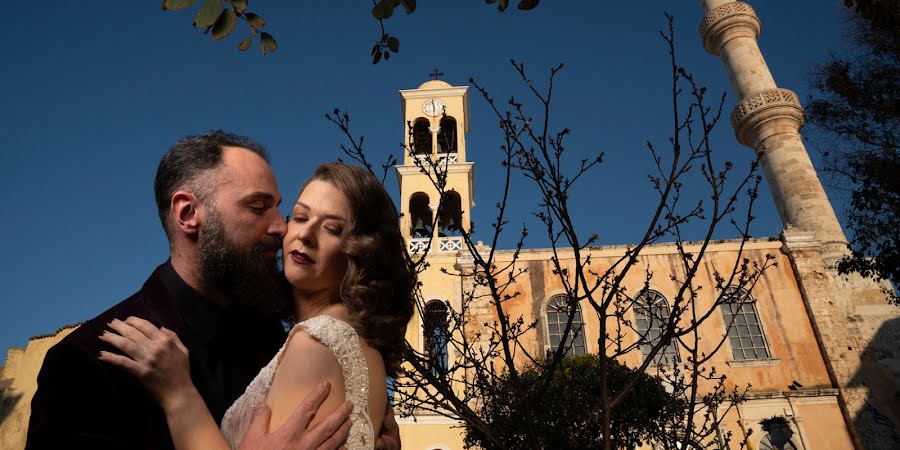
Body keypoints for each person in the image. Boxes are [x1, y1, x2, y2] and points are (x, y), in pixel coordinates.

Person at [26, 132, 399, 449]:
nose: (281, 229)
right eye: (258, 207)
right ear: (188, 214)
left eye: (280, 210)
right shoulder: (89, 361)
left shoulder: (279, 339)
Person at [98, 162, 416, 449]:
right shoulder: (354, 344)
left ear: (360, 253)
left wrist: (180, 397)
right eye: (301, 216)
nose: (304, 234)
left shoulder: (316, 342)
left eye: (332, 229)